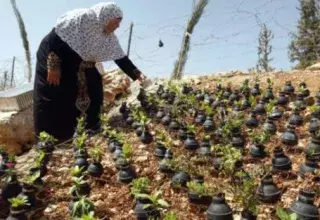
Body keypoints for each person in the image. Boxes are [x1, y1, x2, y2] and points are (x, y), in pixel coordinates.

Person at [33, 2, 147, 143]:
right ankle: (52, 139)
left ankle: (90, 127)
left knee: (94, 89)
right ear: (106, 16)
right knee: (57, 93)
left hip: (82, 63)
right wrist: (53, 65)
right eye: (117, 22)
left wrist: (136, 74)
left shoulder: (107, 36)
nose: (118, 26)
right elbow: (54, 39)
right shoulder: (79, 19)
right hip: (55, 57)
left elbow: (120, 57)